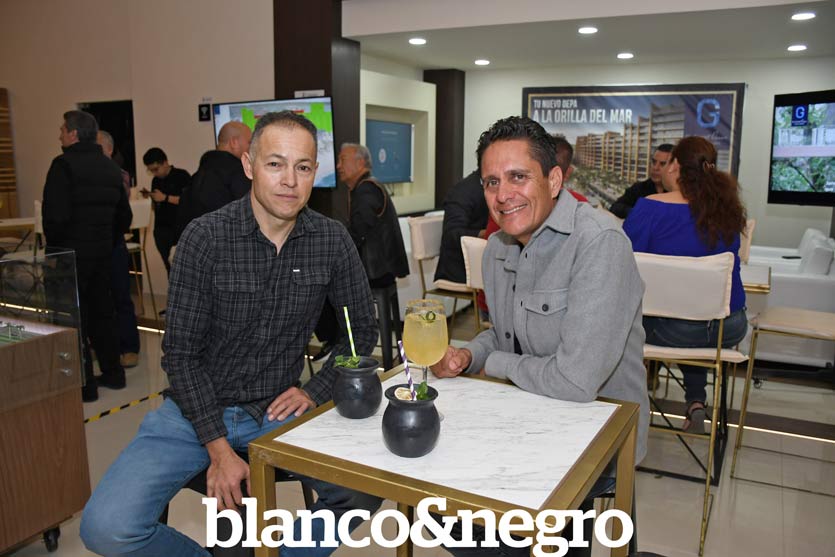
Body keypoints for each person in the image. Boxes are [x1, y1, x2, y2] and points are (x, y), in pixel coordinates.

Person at [80, 111, 381, 557]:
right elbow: (180, 355)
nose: (290, 181)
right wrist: (218, 449)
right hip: (194, 411)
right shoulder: (206, 237)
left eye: (302, 167)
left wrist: (314, 390)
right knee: (107, 527)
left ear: (315, 173)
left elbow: (361, 331)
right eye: (275, 164)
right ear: (249, 165)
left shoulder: (330, 240)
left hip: (276, 410)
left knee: (365, 488)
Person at [431, 116, 648, 557]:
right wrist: (469, 355)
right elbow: (506, 336)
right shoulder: (496, 249)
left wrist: (493, 364)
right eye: (492, 182)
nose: (502, 194)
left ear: (554, 181)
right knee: (434, 504)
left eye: (518, 177)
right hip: (528, 420)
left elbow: (575, 381)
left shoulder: (600, 242)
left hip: (598, 439)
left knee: (493, 530)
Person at [623, 136, 748, 433]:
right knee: (694, 317)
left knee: (658, 319)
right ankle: (695, 401)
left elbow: (623, 261)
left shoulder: (650, 209)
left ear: (675, 166)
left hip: (672, 330)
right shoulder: (727, 209)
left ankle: (627, 408)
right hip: (728, 328)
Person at [42, 110, 132, 402]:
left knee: (72, 321)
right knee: (103, 314)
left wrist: (55, 250)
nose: (59, 134)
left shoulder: (63, 165)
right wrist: (107, 241)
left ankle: (84, 385)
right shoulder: (110, 169)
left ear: (73, 134)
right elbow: (124, 217)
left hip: (69, 256)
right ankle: (113, 373)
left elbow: (55, 217)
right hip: (102, 254)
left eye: (62, 129)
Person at [313, 143, 409, 361]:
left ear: (360, 162)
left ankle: (336, 342)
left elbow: (358, 232)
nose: (338, 166)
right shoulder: (368, 186)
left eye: (342, 160)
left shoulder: (366, 189)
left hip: (375, 271)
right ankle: (338, 340)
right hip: (381, 268)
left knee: (319, 282)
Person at [98, 130, 140, 367]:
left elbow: (122, 213)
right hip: (94, 245)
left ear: (109, 149)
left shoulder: (118, 175)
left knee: (121, 296)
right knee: (100, 299)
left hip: (113, 242)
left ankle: (129, 347)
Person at [177, 121, 252, 235]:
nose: (252, 147)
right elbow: (250, 215)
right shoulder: (238, 173)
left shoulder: (197, 176)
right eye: (249, 142)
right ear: (234, 142)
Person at [433, 170, 489, 284]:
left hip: (485, 263)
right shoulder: (462, 191)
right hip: (460, 268)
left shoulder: (495, 186)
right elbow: (451, 234)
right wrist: (487, 233)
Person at [141, 147, 190, 274]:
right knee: (170, 270)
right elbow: (156, 205)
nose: (154, 173)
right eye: (151, 170)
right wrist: (151, 197)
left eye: (156, 169)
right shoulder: (155, 180)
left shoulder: (181, 175)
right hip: (161, 230)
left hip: (180, 229)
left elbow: (189, 201)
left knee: (184, 269)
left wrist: (165, 198)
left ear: (165, 162)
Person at [608, 143, 674, 219]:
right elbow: (615, 207)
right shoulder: (639, 188)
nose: (655, 168)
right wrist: (635, 212)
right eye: (654, 162)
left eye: (662, 164)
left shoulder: (679, 193)